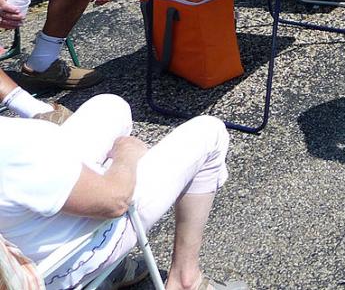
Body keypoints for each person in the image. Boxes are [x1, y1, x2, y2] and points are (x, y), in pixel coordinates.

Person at [0, 93, 243, 290]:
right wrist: (126, 158)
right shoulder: (17, 145)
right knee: (210, 132)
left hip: (23, 236)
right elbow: (115, 202)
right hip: (65, 260)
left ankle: (114, 271)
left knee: (109, 106)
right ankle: (185, 279)